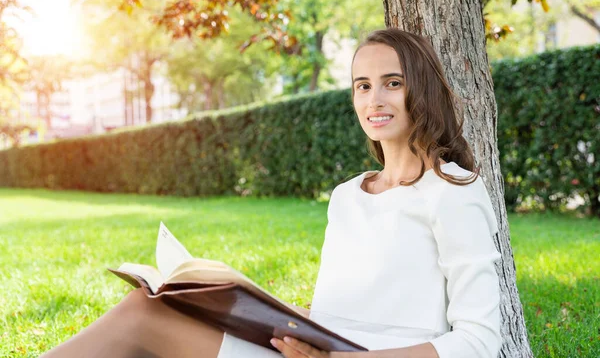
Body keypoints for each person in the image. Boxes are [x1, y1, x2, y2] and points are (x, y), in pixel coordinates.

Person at [41, 28, 502, 358]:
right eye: (363, 85)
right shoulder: (348, 196)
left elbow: (480, 340)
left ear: (420, 89)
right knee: (150, 304)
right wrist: (247, 307)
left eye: (392, 83)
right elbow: (335, 313)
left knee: (145, 322)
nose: (374, 99)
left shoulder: (453, 191)